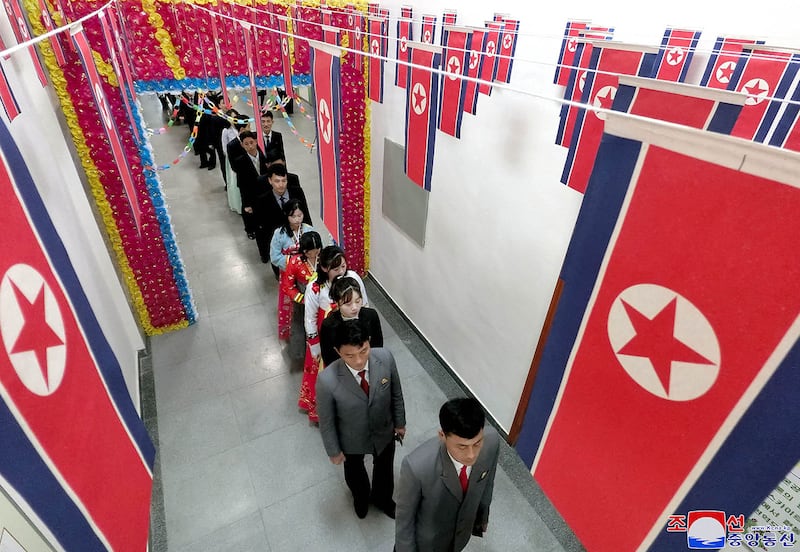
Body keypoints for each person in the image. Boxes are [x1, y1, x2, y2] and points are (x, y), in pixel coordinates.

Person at [316, 318, 406, 520]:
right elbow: (327, 421)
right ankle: (361, 497)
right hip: (351, 438)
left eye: (363, 351)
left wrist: (400, 423)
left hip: (384, 429)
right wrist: (333, 450)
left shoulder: (385, 358)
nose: (358, 360)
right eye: (349, 355)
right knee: (355, 472)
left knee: (384, 469)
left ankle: (383, 499)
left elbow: (396, 393)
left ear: (369, 342)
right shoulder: (327, 380)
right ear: (338, 352)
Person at [395, 398, 500, 552]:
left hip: (460, 537)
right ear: (442, 435)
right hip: (428, 545)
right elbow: (405, 521)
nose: (471, 455)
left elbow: (488, 483)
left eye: (477, 443)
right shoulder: (416, 467)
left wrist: (482, 517)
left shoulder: (492, 442)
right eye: (462, 447)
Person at [299, 246, 367, 424]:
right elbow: (310, 319)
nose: (341, 272)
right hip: (327, 336)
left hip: (352, 332)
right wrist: (315, 346)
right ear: (324, 268)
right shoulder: (315, 287)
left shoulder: (353, 278)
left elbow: (364, 304)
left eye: (343, 266)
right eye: (336, 269)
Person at [271, 199, 318, 341]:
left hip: (308, 271)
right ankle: (293, 331)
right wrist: (293, 264)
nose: (297, 219)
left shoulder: (309, 229)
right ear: (286, 216)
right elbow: (275, 257)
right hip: (289, 272)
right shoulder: (279, 234)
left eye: (300, 215)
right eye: (293, 216)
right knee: (290, 303)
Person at [253, 162, 312, 274]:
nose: (281, 185)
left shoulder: (297, 192)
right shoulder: (262, 201)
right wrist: (265, 253)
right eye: (277, 181)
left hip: (301, 246)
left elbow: (306, 216)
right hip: (280, 250)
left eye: (283, 181)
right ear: (270, 181)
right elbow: (261, 231)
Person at [319, 276, 383, 367]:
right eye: (348, 304)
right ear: (337, 303)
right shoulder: (329, 325)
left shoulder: (371, 316)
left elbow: (378, 345)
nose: (354, 307)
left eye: (357, 301)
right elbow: (328, 356)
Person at [280, 231, 322, 360]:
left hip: (322, 298)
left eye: (317, 250)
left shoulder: (324, 258)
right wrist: (303, 299)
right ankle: (300, 354)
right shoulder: (295, 262)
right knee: (300, 325)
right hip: (303, 299)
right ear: (304, 251)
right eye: (311, 251)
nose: (315, 254)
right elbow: (288, 286)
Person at [231, 130, 267, 242]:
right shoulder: (240, 161)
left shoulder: (263, 155)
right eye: (246, 144)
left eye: (252, 142)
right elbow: (242, 184)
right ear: (242, 145)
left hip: (264, 189)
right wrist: (246, 203)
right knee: (249, 212)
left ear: (256, 141)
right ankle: (250, 230)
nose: (250, 146)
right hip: (250, 191)